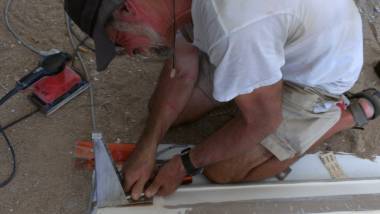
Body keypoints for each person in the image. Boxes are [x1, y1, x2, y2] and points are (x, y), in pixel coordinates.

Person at [99, 0, 380, 200]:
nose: (131, 53)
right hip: (280, 40)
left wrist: (181, 165)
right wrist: (147, 146)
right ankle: (251, 84)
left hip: (319, 75)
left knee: (222, 170)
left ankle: (344, 113)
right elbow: (182, 73)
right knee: (167, 111)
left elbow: (265, 122)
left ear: (129, 8)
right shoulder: (176, 7)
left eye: (121, 43)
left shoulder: (234, 28)